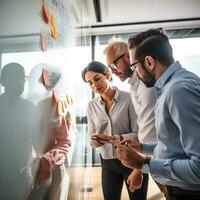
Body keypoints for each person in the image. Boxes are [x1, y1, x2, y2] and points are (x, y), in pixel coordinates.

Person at [116, 29, 200, 200]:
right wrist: (143, 148)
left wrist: (142, 163)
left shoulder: (178, 91)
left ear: (149, 62)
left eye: (134, 66)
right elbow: (174, 144)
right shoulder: (171, 87)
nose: (136, 73)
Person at [82, 61, 147, 200]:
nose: (95, 85)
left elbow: (139, 135)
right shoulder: (91, 106)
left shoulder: (129, 98)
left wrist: (113, 138)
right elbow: (90, 137)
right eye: (90, 83)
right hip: (108, 164)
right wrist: (96, 142)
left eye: (97, 79)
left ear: (107, 75)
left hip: (133, 160)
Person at [104, 35, 158, 195]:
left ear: (127, 56)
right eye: (110, 68)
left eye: (114, 65)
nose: (113, 72)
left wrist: (139, 168)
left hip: (154, 160)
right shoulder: (134, 87)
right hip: (148, 157)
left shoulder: (145, 86)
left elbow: (152, 131)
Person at [0, 63, 36, 199]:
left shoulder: (30, 108)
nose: (19, 81)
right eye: (14, 76)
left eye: (22, 77)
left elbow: (37, 140)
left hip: (23, 176)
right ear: (2, 80)